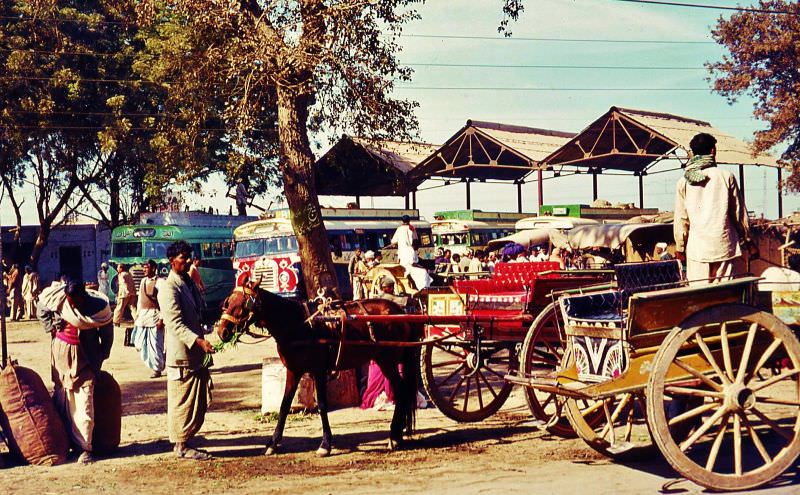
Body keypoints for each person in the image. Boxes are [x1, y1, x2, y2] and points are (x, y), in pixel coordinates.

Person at [38, 278, 113, 464]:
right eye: (70, 300)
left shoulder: (97, 308)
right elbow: (41, 308)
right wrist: (52, 327)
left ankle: (84, 448)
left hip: (86, 358)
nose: (73, 304)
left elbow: (107, 331)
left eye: (76, 301)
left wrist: (101, 356)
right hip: (61, 355)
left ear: (83, 296)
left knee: (83, 402)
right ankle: (65, 444)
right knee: (62, 398)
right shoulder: (59, 299)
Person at [157, 240, 215, 460]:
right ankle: (181, 446)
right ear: (172, 261)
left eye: (189, 256)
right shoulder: (168, 287)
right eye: (183, 257)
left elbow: (199, 312)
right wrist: (199, 341)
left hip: (196, 355)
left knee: (195, 402)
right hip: (182, 356)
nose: (188, 260)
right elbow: (174, 323)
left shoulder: (187, 281)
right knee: (182, 402)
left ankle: (186, 440)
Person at [674, 132, 751, 284]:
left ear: (693, 153)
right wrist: (747, 240)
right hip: (724, 247)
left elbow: (681, 219)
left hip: (697, 251)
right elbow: (739, 214)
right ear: (713, 151)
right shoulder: (726, 176)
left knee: (699, 295)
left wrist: (680, 248)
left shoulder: (683, 181)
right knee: (724, 296)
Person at [131, 260, 166, 378]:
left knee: (155, 344)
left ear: (154, 268)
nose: (144, 269)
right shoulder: (143, 281)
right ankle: (160, 360)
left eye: (147, 267)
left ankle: (157, 368)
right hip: (143, 317)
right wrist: (137, 316)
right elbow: (140, 299)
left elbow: (163, 303)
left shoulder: (160, 282)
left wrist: (161, 319)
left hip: (155, 316)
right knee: (139, 342)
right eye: (144, 267)